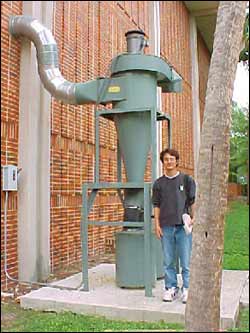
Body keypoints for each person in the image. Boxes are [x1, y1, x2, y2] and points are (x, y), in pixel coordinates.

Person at [152, 148, 196, 303]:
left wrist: (193, 218)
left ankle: (187, 289)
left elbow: (192, 202)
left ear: (177, 161)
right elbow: (156, 205)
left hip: (183, 227)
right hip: (166, 226)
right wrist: (156, 224)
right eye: (166, 159)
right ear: (163, 162)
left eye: (171, 159)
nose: (169, 162)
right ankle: (171, 288)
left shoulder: (186, 180)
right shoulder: (158, 184)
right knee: (168, 260)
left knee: (185, 261)